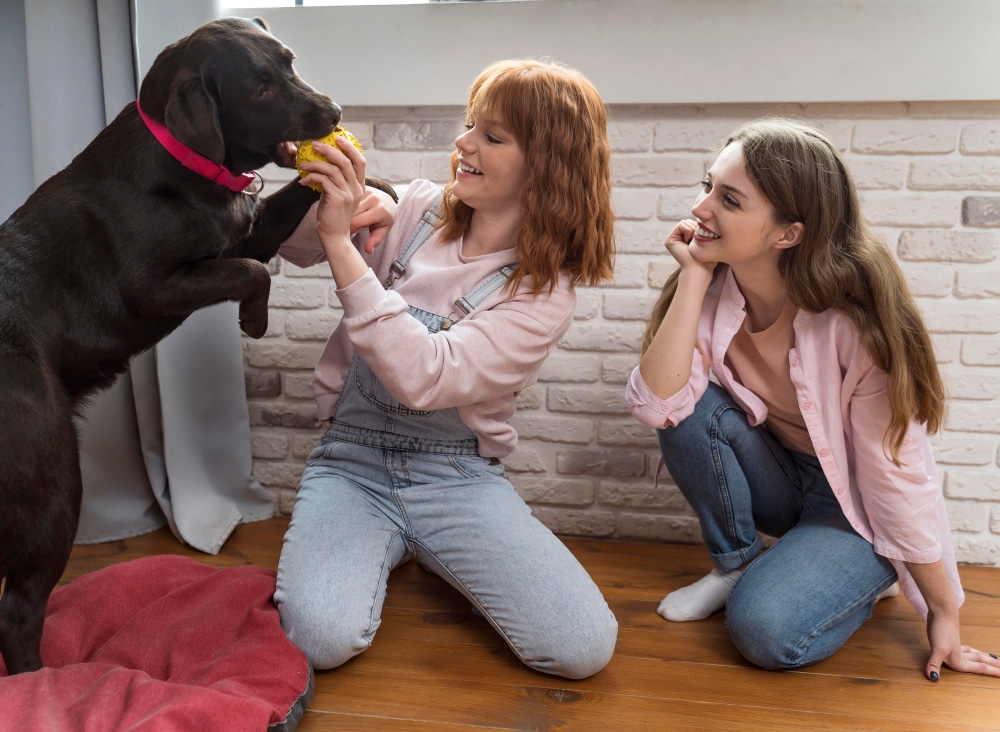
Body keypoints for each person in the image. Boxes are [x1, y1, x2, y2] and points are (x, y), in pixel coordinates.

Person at [273, 58, 618, 679]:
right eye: (470, 125)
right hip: (352, 464)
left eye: (493, 135)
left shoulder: (542, 293)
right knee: (319, 642)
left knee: (580, 648)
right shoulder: (415, 209)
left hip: (455, 479)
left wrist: (338, 246)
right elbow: (291, 247)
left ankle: (427, 542)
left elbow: (427, 376)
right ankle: (391, 542)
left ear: (547, 164)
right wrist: (330, 194)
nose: (463, 143)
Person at [627, 118, 1000, 681]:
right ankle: (738, 563)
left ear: (788, 233)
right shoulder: (711, 288)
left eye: (728, 199)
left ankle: (863, 576)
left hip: (855, 507)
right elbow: (659, 406)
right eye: (707, 186)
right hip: (781, 477)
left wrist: (944, 612)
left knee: (765, 632)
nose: (702, 208)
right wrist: (695, 281)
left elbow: (894, 475)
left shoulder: (855, 324)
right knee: (690, 405)